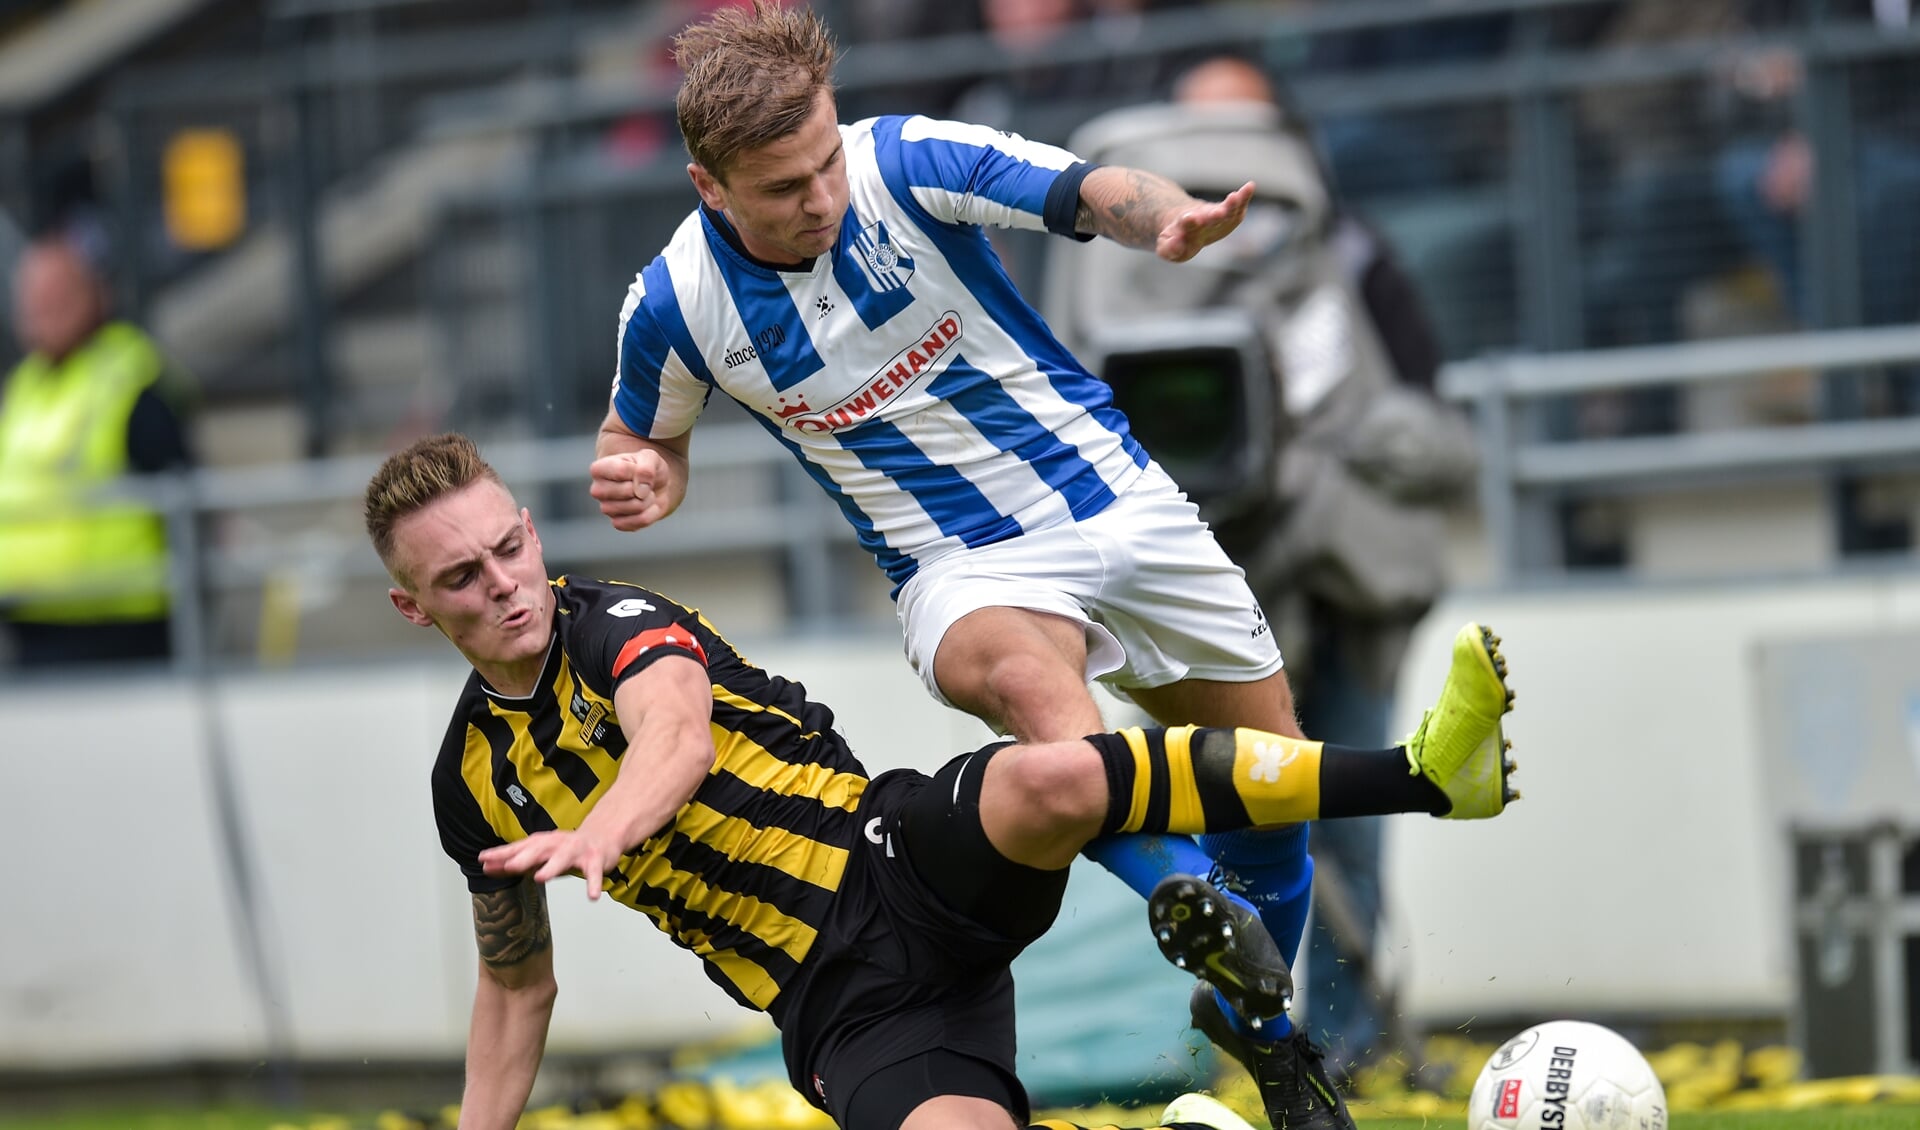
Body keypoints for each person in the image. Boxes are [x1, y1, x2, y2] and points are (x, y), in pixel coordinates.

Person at [585, 8, 1510, 1126]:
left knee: (1271, 788)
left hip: (1117, 499)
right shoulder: (674, 304)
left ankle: (1265, 1042)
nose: (821, 196)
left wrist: (1169, 219)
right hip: (954, 564)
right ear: (708, 183)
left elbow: (1085, 189)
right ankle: (1179, 888)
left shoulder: (907, 160)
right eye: (784, 187)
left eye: (826, 160)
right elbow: (640, 438)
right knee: (1037, 693)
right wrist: (646, 476)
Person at [365, 432, 1517, 1130]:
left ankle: (1423, 775)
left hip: (898, 859)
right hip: (843, 1005)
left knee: (1052, 775)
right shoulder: (470, 784)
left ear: (528, 527)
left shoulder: (615, 618)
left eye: (509, 545)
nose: (505, 583)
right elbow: (516, 987)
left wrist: (603, 828)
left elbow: (676, 736)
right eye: (461, 578)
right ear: (415, 606)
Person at [1160, 56, 1481, 1091]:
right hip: (1234, 587)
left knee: (1348, 818)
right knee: (1252, 819)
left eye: (1243, 125)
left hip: (1355, 591)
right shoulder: (1146, 268)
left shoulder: (1353, 252)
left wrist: (1347, 448)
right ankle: (1282, 1040)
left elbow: (1442, 428)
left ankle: (1355, 1038)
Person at [0, 232, 193, 666]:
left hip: (119, 629)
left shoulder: (129, 379)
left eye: (56, 296)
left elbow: (186, 496)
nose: (40, 311)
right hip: (30, 631)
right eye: (31, 298)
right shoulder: (24, 386)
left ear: (94, 295)